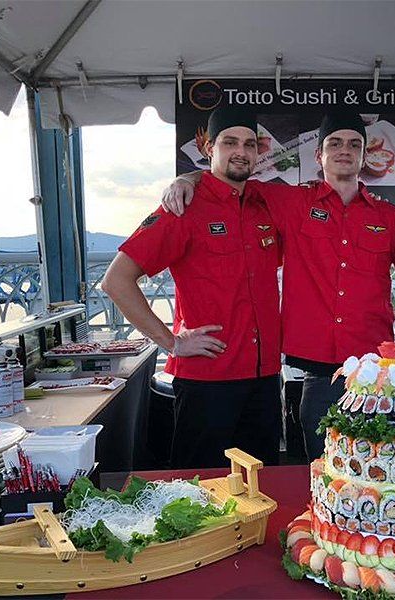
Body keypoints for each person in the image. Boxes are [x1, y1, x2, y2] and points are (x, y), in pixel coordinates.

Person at [162, 111, 395, 461]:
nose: (345, 151)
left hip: (372, 376)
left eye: (355, 144)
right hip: (317, 376)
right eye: (335, 143)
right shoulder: (291, 202)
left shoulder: (391, 218)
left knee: (379, 472)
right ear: (318, 155)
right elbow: (229, 178)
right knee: (320, 477)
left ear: (365, 154)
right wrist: (187, 178)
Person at [101, 106, 282, 469]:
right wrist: (171, 342)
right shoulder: (182, 207)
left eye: (249, 144)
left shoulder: (266, 204)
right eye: (230, 142)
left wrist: (190, 176)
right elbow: (116, 281)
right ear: (209, 149)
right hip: (208, 379)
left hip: (264, 380)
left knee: (264, 487)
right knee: (202, 489)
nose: (241, 152)